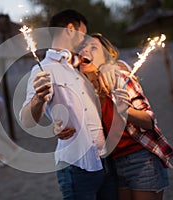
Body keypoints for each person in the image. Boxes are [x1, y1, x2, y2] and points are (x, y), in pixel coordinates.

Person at [58, 33, 173, 200]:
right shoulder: (84, 91)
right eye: (82, 48)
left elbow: (149, 121)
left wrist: (125, 111)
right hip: (114, 165)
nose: (85, 51)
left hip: (141, 160)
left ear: (106, 58)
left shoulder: (120, 79)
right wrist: (59, 126)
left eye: (93, 48)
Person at [20, 10, 117, 199]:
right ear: (71, 29)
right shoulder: (43, 69)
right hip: (77, 168)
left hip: (105, 163)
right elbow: (27, 121)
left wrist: (107, 66)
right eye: (83, 33)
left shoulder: (78, 65)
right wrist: (39, 99)